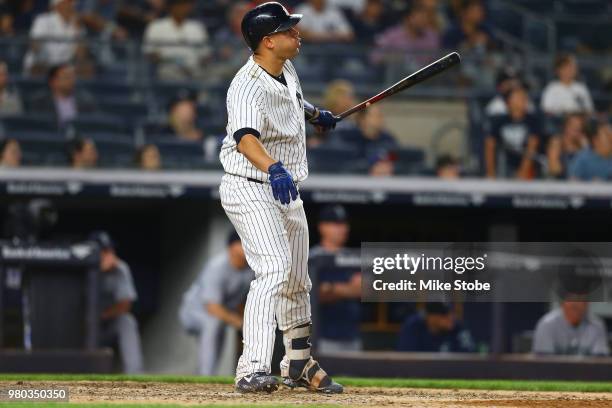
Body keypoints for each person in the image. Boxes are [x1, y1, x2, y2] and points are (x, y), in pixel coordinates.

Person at [219, 2, 342, 394]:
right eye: (288, 30)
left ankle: (298, 364)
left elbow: (288, 99)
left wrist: (314, 113)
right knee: (272, 269)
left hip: (283, 188)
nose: (297, 33)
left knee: (295, 279)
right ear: (268, 41)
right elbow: (245, 138)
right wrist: (272, 166)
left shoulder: (285, 67)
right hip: (250, 183)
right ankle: (251, 367)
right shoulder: (245, 83)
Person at [178, 231, 254, 375]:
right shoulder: (217, 266)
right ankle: (205, 375)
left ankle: (205, 375)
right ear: (232, 247)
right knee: (212, 323)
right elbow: (212, 307)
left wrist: (247, 323)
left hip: (220, 314)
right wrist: (240, 323)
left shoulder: (249, 269)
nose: (249, 246)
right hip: (193, 311)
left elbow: (240, 301)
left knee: (218, 330)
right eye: (244, 243)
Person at [90, 231, 145, 373]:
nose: (110, 254)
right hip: (78, 329)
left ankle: (136, 378)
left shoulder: (120, 268)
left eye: (110, 249)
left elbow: (126, 304)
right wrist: (97, 271)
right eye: (104, 251)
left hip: (103, 326)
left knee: (127, 321)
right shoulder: (79, 267)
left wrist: (102, 315)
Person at [310, 205, 361, 353]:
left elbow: (365, 289)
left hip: (352, 337)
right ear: (322, 227)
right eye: (336, 224)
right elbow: (315, 294)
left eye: (344, 224)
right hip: (322, 338)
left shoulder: (352, 256)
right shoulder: (312, 257)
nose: (343, 229)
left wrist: (332, 288)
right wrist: (349, 289)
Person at [143, 0, 211, 80]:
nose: (183, 8)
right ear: (172, 6)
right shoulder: (156, 26)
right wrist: (172, 62)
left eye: (186, 5)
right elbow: (149, 53)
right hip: (166, 75)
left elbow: (206, 55)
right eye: (180, 5)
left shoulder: (197, 27)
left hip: (194, 75)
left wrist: (195, 66)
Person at [485, 86, 540, 179]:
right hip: (504, 165)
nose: (524, 100)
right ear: (509, 102)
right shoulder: (499, 121)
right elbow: (489, 145)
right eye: (519, 97)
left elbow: (532, 146)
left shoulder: (533, 121)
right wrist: (490, 172)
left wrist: (523, 171)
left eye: (525, 97)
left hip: (527, 168)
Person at [23, 0, 89, 76]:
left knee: (86, 69)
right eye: (68, 3)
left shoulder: (78, 24)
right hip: (43, 63)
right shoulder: (43, 19)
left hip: (65, 67)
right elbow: (35, 46)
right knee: (38, 67)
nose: (72, 6)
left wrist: (78, 31)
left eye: (72, 3)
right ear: (58, 5)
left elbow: (81, 55)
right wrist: (40, 53)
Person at [533, 297, 609, 356]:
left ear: (586, 305)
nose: (578, 306)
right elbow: (542, 363)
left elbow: (599, 361)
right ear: (563, 304)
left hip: (586, 374)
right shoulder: (547, 324)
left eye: (581, 302)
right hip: (554, 374)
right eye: (573, 305)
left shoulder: (596, 325)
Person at [371, 4, 440, 68]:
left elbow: (437, 59)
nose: (422, 21)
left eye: (424, 18)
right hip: (396, 77)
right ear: (406, 19)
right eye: (418, 17)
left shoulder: (431, 36)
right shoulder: (392, 35)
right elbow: (375, 57)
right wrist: (395, 58)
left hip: (425, 77)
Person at [29, 64, 97, 126]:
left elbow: (94, 123)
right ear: (53, 81)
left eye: (72, 77)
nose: (71, 80)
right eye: (66, 77)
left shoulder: (85, 100)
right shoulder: (40, 101)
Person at [397, 302, 475, 352]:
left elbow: (470, 356)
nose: (450, 317)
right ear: (431, 317)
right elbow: (406, 358)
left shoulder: (458, 327)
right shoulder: (413, 326)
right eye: (444, 314)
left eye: (451, 313)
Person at [546, 114, 587, 179]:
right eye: (573, 125)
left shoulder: (583, 145)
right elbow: (554, 168)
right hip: (561, 183)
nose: (576, 129)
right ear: (565, 127)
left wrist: (585, 147)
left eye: (579, 126)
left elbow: (589, 168)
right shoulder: (557, 142)